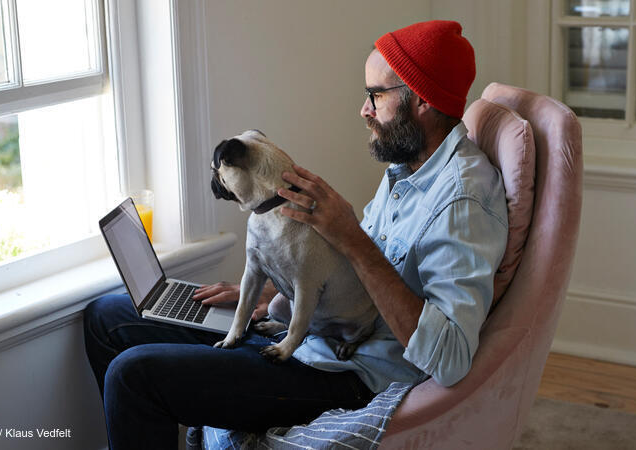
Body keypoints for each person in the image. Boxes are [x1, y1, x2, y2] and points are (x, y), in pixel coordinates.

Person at [82, 20, 507, 449]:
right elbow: (354, 278)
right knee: (106, 316)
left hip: (343, 374)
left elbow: (451, 358)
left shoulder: (462, 202)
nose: (364, 110)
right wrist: (273, 295)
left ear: (422, 101)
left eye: (375, 96)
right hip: (312, 328)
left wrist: (351, 238)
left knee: (132, 375)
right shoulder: (408, 167)